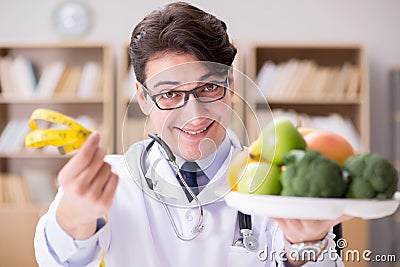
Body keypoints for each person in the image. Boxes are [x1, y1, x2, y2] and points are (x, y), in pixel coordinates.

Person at [34, 2, 348, 266]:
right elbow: (59, 259)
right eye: (169, 94)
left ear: (231, 87)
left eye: (209, 87)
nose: (194, 113)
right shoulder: (107, 183)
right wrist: (75, 219)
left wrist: (307, 242)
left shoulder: (278, 182)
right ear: (143, 99)